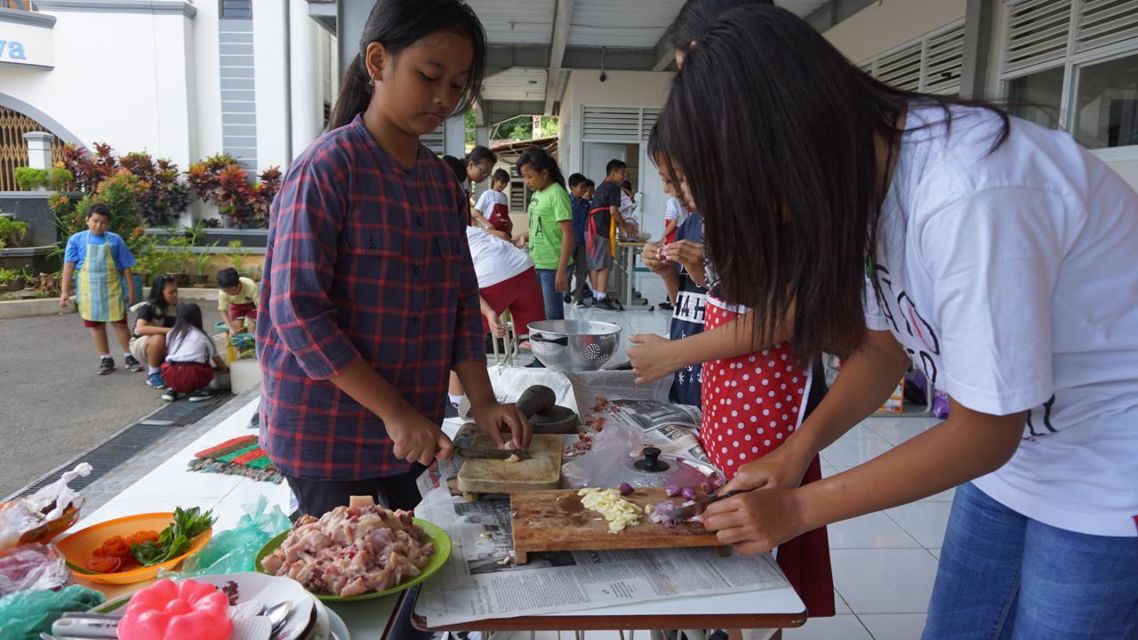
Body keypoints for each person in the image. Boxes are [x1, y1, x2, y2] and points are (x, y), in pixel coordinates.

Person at [662, 5, 1138, 638]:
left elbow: (982, 433)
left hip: (1112, 472)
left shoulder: (969, 191)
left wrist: (798, 507)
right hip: (1018, 463)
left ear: (780, 137)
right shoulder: (866, 182)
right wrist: (794, 452)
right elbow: (882, 350)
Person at [258, 0, 531, 520]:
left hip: (414, 434)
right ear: (377, 62)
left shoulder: (439, 184)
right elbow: (296, 311)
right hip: (327, 435)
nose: (443, 98)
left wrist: (483, 401)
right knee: (344, 578)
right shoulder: (327, 168)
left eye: (457, 85)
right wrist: (394, 412)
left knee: (416, 568)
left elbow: (457, 302)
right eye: (429, 76)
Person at [447, 223, 546, 408]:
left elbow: (463, 284)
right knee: (534, 336)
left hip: (492, 276)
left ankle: (455, 402)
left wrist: (489, 312)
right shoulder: (469, 228)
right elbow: (501, 235)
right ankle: (545, 377)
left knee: (460, 339)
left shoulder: (440, 239)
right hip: (523, 267)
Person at [59, 204, 140, 376]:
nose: (98, 225)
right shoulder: (76, 240)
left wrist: (131, 290)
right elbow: (68, 266)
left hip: (112, 289)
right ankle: (105, 358)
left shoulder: (115, 240)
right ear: (87, 220)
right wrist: (64, 291)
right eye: (95, 221)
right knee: (96, 325)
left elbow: (126, 267)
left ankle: (130, 356)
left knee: (120, 323)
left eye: (103, 223)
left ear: (108, 224)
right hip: (89, 292)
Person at [511, 146, 573, 322]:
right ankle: (545, 347)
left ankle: (557, 347)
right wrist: (523, 236)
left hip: (553, 265)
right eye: (524, 177)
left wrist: (561, 271)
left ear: (544, 174)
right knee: (539, 312)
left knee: (552, 315)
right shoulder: (537, 194)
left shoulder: (557, 194)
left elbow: (568, 234)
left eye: (529, 176)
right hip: (537, 262)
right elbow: (538, 227)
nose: (526, 181)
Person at [587, 160, 633, 311]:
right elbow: (613, 210)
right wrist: (625, 226)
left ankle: (596, 295)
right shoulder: (613, 187)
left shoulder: (602, 186)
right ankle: (601, 297)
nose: (623, 177)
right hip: (600, 229)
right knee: (604, 265)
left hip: (591, 228)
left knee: (594, 264)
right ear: (613, 173)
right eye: (622, 173)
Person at [160, 301, 229, 403]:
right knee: (205, 363)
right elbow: (216, 359)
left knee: (172, 364)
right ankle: (200, 391)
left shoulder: (171, 333)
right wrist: (225, 372)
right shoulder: (203, 336)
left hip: (170, 375)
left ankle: (173, 390)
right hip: (193, 376)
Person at [130, 274, 179, 389]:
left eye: (176, 291)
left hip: (164, 345)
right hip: (142, 345)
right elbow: (140, 329)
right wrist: (168, 330)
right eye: (171, 292)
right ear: (160, 292)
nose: (175, 295)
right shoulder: (148, 307)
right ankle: (153, 373)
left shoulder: (176, 308)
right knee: (158, 337)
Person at [566, 173, 593, 307]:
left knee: (582, 271)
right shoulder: (565, 201)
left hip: (582, 242)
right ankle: (565, 293)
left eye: (585, 188)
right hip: (568, 242)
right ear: (572, 187)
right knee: (568, 271)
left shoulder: (586, 204)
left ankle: (578, 298)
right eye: (581, 187)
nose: (584, 190)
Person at [216, 267, 258, 335]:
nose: (230, 293)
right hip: (236, 306)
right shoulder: (222, 292)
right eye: (226, 291)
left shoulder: (250, 286)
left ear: (239, 283)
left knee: (252, 330)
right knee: (236, 330)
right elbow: (223, 311)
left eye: (232, 290)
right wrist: (230, 328)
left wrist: (256, 321)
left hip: (252, 305)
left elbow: (260, 306)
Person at [473, 168, 513, 236]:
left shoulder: (504, 196)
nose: (504, 185)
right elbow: (475, 212)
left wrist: (510, 223)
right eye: (502, 182)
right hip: (491, 232)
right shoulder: (487, 194)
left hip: (503, 232)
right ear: (495, 180)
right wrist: (487, 224)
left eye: (506, 183)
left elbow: (504, 214)